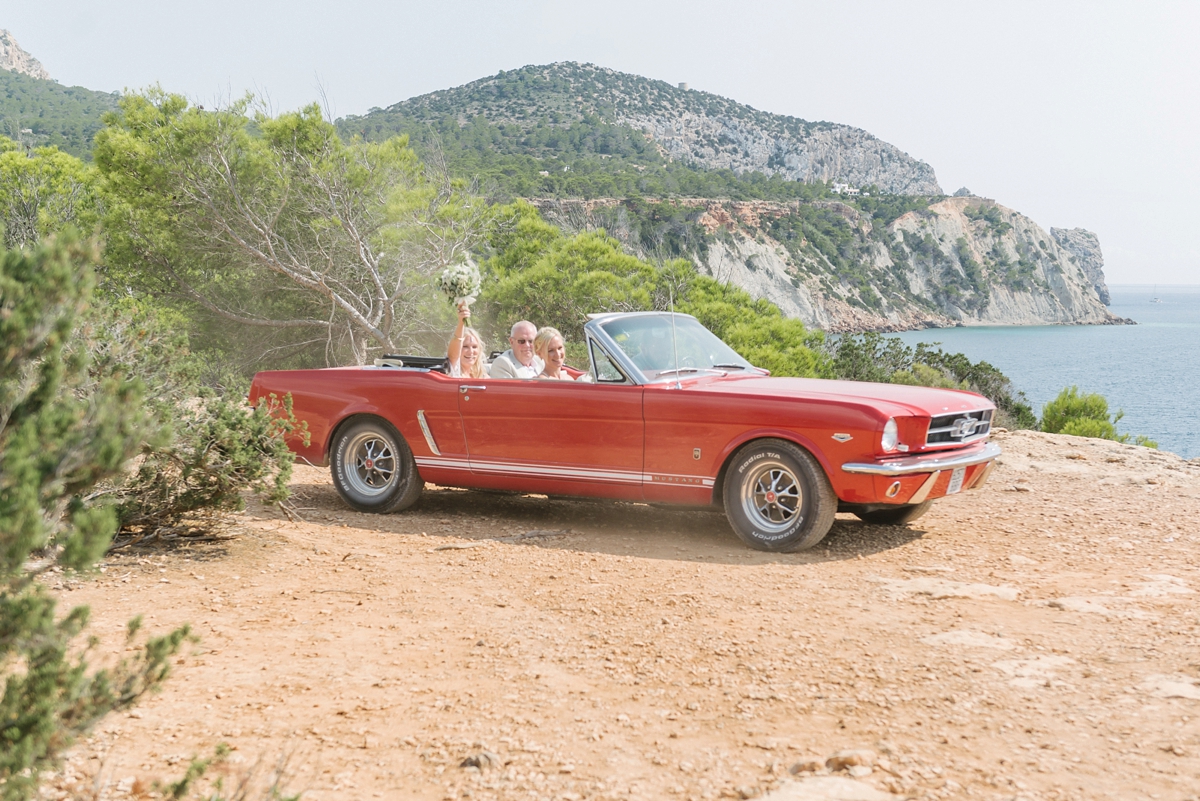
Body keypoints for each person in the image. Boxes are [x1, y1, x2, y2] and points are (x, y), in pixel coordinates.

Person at [446, 303, 488, 379]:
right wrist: (461, 322)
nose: (471, 351)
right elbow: (453, 355)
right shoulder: (454, 370)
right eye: (465, 346)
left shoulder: (481, 375)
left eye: (474, 347)